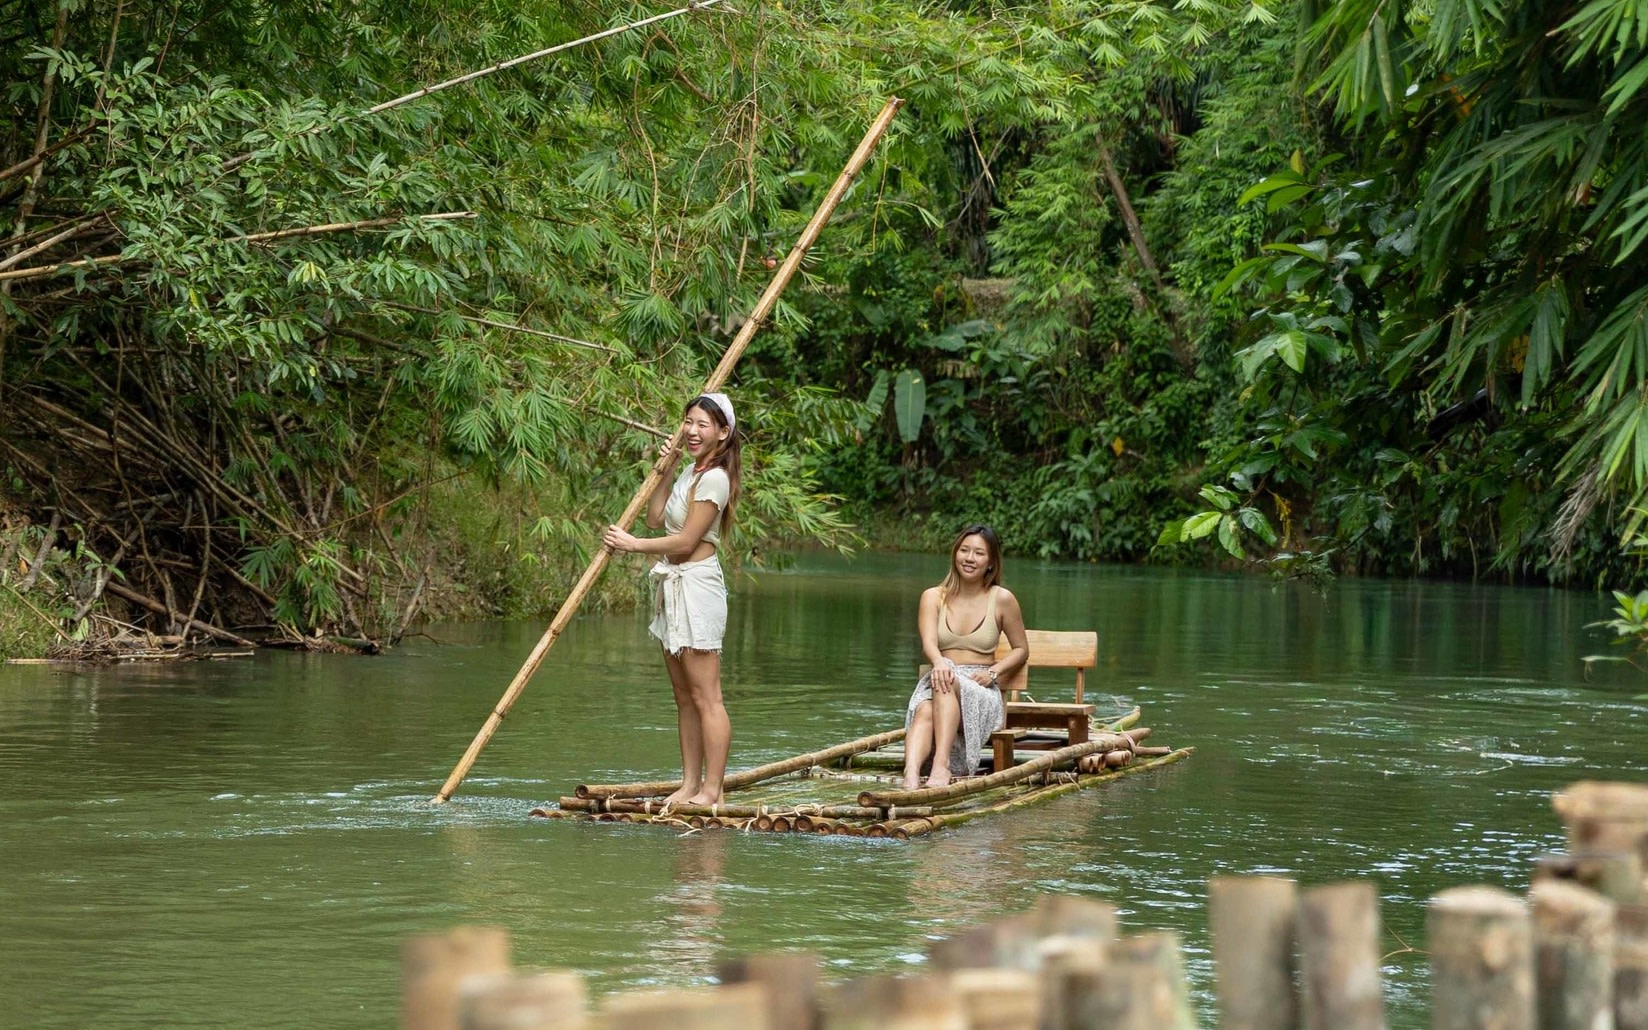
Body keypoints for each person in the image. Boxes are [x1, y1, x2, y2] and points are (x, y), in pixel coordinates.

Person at [602, 393, 741, 806]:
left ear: (722, 432)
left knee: (706, 696)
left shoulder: (715, 478)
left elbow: (684, 540)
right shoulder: (689, 471)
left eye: (702, 425)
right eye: (688, 422)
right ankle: (689, 784)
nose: (693, 431)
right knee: (683, 696)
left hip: (697, 587)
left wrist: (631, 545)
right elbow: (655, 517)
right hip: (673, 585)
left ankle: (713, 789)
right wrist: (663, 471)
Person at [903, 525, 1028, 790]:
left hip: (979, 687)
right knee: (925, 707)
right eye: (964, 550)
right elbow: (929, 642)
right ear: (955, 554)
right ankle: (910, 775)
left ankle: (942, 764)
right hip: (940, 674)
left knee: (946, 681)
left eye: (979, 553)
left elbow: (1021, 649)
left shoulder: (1002, 599)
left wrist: (993, 672)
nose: (969, 558)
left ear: (991, 562)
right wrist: (939, 662)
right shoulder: (933, 597)